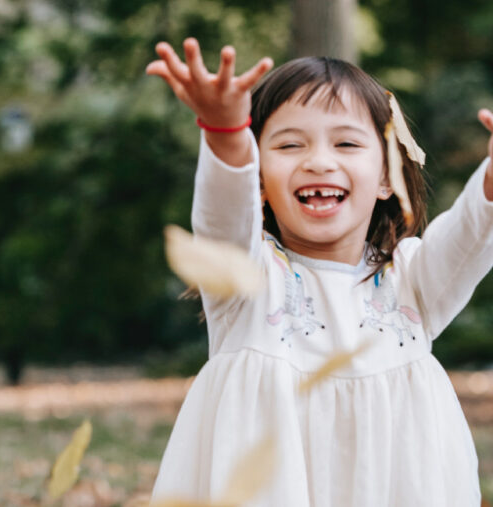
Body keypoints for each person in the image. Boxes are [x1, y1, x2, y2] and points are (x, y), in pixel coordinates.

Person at [144, 38, 493, 505]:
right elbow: (222, 214)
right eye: (290, 144)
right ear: (260, 182)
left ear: (388, 176)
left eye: (347, 142)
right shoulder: (247, 280)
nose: (319, 161)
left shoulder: (414, 281)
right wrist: (227, 134)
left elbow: (471, 233)